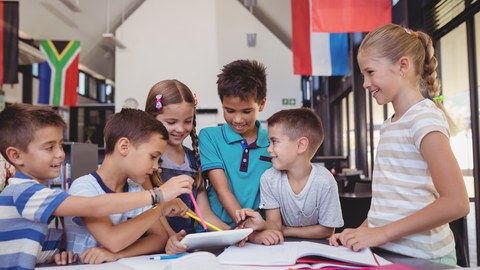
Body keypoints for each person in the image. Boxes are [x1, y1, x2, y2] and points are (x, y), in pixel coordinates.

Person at [328, 24, 469, 266]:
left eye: (370, 72)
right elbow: (389, 202)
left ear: (402, 66)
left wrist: (380, 233)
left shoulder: (424, 119)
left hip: (425, 258)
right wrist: (359, 232)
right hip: (390, 255)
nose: (365, 83)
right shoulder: (390, 124)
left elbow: (457, 202)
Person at [0, 104, 192, 270]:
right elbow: (93, 206)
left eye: (60, 145)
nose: (60, 154)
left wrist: (56, 256)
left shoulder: (43, 195)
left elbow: (35, 250)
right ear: (16, 156)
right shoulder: (23, 192)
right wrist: (158, 198)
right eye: (50, 147)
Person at [64, 108, 195, 263]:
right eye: (153, 157)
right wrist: (160, 205)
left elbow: (159, 238)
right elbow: (113, 240)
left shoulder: (135, 189)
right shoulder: (84, 187)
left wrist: (117, 255)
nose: (155, 167)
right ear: (124, 146)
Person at [144, 79, 230, 254]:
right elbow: (147, 211)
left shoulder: (193, 159)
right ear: (152, 118)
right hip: (154, 248)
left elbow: (203, 213)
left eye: (187, 121)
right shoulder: (146, 160)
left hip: (187, 247)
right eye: (171, 122)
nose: (180, 129)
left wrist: (230, 233)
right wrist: (170, 237)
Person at [236, 108, 344, 246]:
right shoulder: (268, 179)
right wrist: (262, 224)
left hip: (318, 248)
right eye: (269, 142)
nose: (269, 149)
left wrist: (285, 230)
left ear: (300, 145)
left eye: (274, 142)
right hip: (283, 248)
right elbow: (275, 226)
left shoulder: (325, 181)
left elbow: (327, 230)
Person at [199, 59, 272, 226]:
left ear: (261, 104)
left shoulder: (272, 143)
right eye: (230, 111)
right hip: (217, 230)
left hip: (257, 230)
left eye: (246, 111)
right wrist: (245, 229)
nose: (237, 119)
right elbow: (221, 189)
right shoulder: (209, 137)